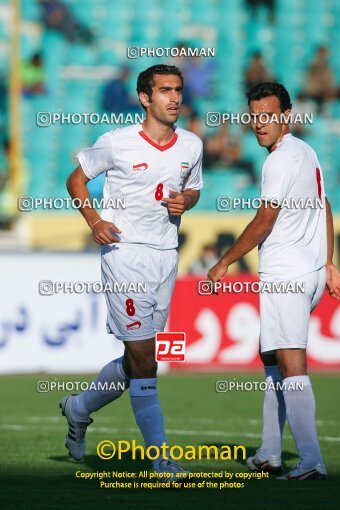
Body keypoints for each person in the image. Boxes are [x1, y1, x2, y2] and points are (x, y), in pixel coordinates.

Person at [61, 65, 203, 482]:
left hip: (165, 256)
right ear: (144, 98)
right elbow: (76, 180)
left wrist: (187, 202)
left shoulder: (191, 144)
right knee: (146, 358)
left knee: (134, 359)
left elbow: (193, 187)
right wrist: (94, 222)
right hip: (124, 255)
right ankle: (161, 461)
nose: (173, 98)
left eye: (177, 90)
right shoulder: (117, 143)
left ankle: (79, 408)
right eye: (164, 91)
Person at [208, 82, 340, 480]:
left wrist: (224, 262)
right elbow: (325, 205)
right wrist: (330, 262)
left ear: (286, 116)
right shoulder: (306, 152)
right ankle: (269, 452)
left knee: (291, 362)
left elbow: (265, 220)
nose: (260, 123)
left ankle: (312, 460)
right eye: (255, 116)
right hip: (312, 271)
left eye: (268, 115)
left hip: (287, 274)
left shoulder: (278, 160)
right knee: (273, 359)